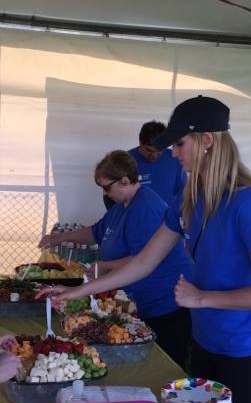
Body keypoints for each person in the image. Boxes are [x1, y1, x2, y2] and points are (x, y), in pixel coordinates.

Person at [39, 96, 251, 403]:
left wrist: (200, 298)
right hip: (204, 341)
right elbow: (142, 263)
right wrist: (75, 292)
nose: (172, 152)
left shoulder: (247, 203)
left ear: (207, 141)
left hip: (244, 351)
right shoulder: (189, 200)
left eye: (180, 143)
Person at [39, 150, 194, 368]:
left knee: (163, 364)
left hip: (165, 303)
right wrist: (59, 238)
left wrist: (105, 267)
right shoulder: (122, 206)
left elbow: (143, 259)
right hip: (143, 301)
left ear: (124, 181)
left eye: (106, 187)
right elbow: (96, 231)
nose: (104, 193)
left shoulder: (145, 207)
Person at [104, 121, 186, 210]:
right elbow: (109, 196)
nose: (154, 155)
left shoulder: (175, 159)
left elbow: (183, 193)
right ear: (140, 142)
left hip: (167, 220)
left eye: (159, 150)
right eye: (149, 150)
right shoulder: (124, 162)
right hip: (135, 219)